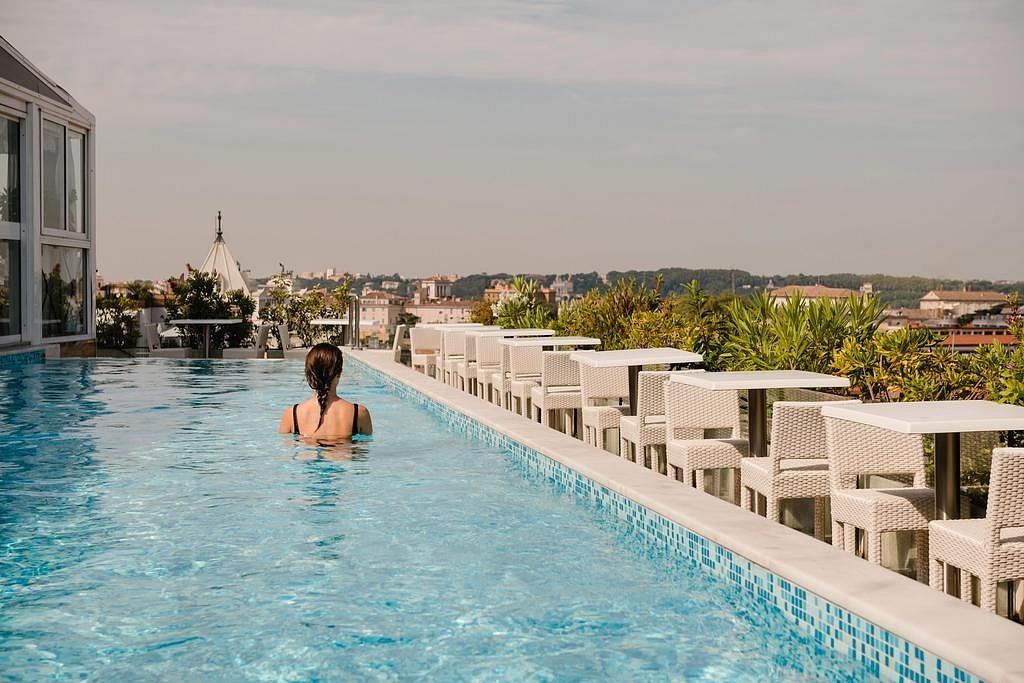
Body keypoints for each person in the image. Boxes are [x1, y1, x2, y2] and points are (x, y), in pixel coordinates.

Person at [279, 343, 372, 439]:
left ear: (308, 374)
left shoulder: (291, 414)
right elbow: (363, 450)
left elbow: (286, 451)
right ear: (339, 373)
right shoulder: (360, 413)